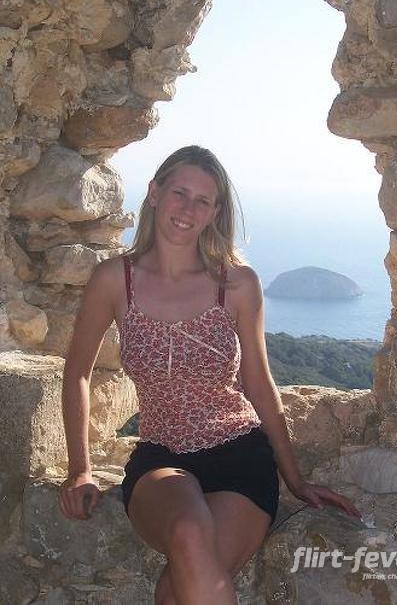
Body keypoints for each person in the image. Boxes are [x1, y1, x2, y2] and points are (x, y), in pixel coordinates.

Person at [58, 145, 361, 605]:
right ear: (154, 192)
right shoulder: (114, 280)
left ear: (216, 212)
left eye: (203, 200)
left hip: (240, 454)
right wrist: (80, 470)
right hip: (160, 456)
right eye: (180, 193)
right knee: (187, 531)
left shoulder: (237, 284)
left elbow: (259, 384)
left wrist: (295, 478)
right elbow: (77, 372)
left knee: (178, 587)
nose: (188, 209)